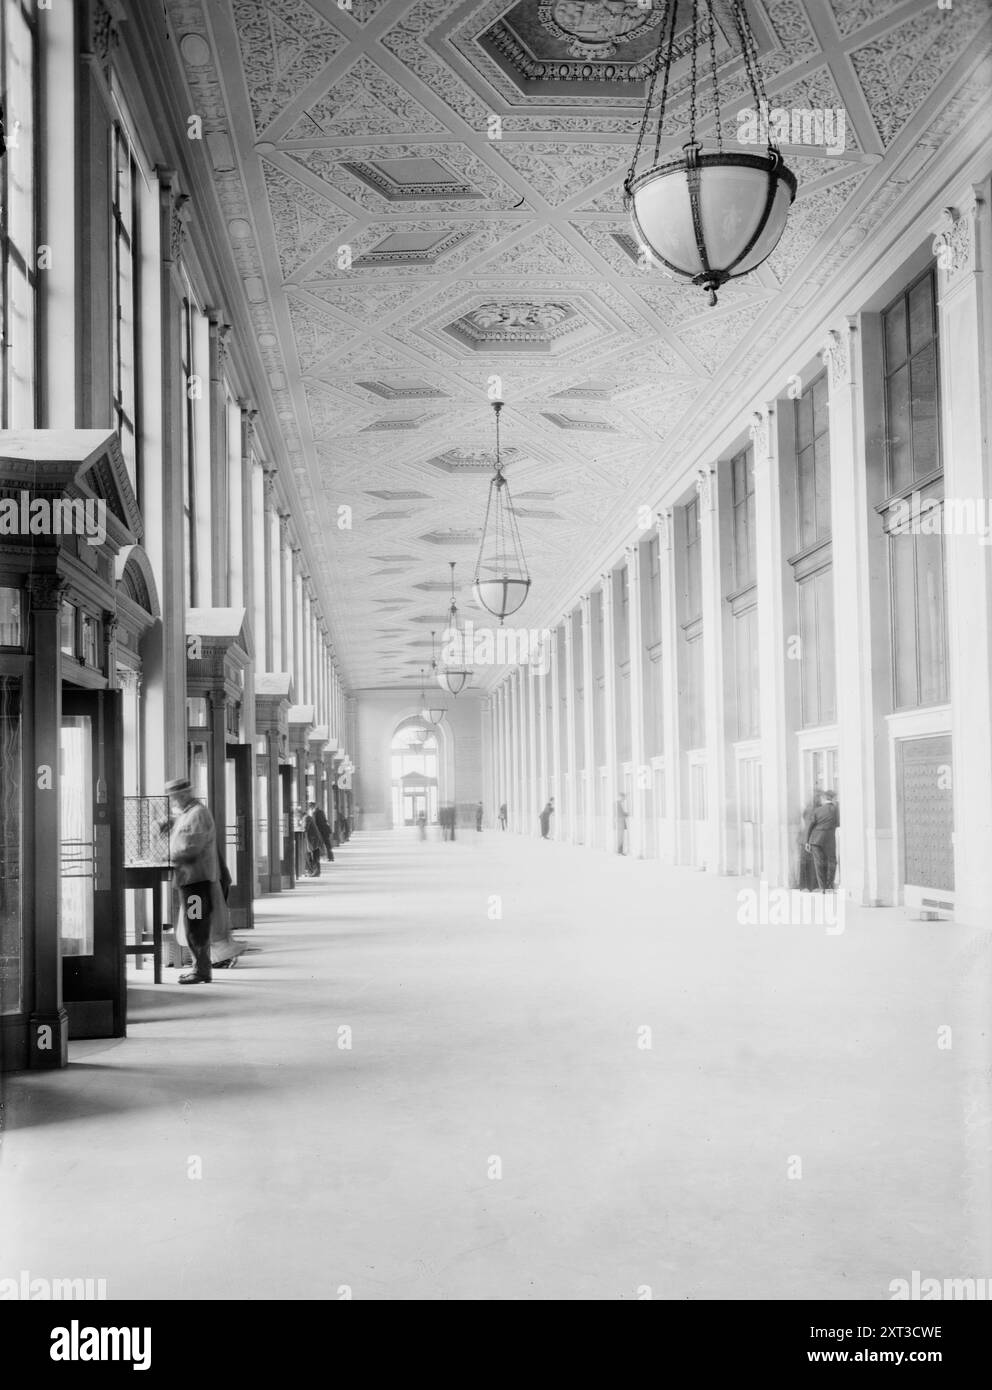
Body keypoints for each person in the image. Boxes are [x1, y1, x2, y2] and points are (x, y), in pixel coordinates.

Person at [160, 777, 219, 985]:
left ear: (184, 794)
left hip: (196, 881)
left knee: (196, 925)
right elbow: (185, 827)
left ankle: (201, 970)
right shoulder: (190, 813)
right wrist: (172, 821)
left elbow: (191, 848)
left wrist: (168, 857)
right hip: (190, 880)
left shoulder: (197, 815)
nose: (174, 802)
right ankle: (199, 967)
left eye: (175, 798)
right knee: (193, 923)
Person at [805, 788, 839, 891]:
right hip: (829, 840)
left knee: (818, 863)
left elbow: (810, 826)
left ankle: (822, 887)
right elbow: (838, 824)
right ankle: (829, 885)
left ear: (825, 798)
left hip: (815, 840)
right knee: (832, 862)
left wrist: (807, 842)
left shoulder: (817, 810)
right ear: (833, 798)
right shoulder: (836, 810)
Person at [302, 804, 323, 877]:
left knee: (314, 856)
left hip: (313, 840)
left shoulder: (306, 818)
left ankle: (316, 872)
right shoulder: (307, 817)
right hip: (314, 839)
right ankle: (313, 871)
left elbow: (305, 828)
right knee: (313, 855)